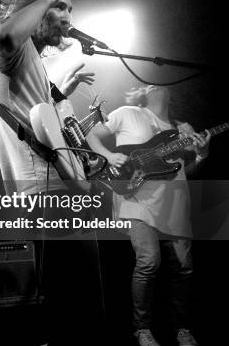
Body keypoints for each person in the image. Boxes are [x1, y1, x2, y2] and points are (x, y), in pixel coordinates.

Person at [0, 0, 102, 346]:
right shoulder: (12, 49)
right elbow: (4, 37)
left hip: (61, 190)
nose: (68, 16)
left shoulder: (34, 60)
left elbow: (42, 122)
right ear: (34, 11)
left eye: (70, 8)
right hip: (43, 195)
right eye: (61, 7)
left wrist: (60, 96)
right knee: (74, 306)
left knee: (82, 300)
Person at [87, 85, 210, 346]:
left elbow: (186, 170)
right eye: (149, 85)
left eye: (159, 85)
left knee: (184, 269)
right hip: (136, 200)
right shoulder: (127, 112)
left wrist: (202, 154)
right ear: (142, 94)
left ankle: (182, 329)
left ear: (171, 96)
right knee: (149, 261)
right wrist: (108, 156)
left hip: (175, 203)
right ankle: (141, 329)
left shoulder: (182, 129)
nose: (154, 85)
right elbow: (92, 136)